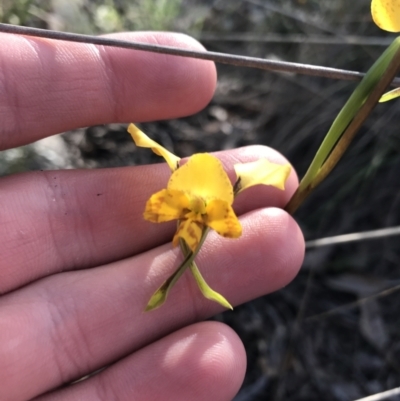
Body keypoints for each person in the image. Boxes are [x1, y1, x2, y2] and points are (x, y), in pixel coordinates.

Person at [0, 31, 305, 401]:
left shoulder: (212, 211)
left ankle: (175, 284)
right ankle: (175, 284)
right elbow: (166, 209)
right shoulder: (186, 207)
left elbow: (220, 221)